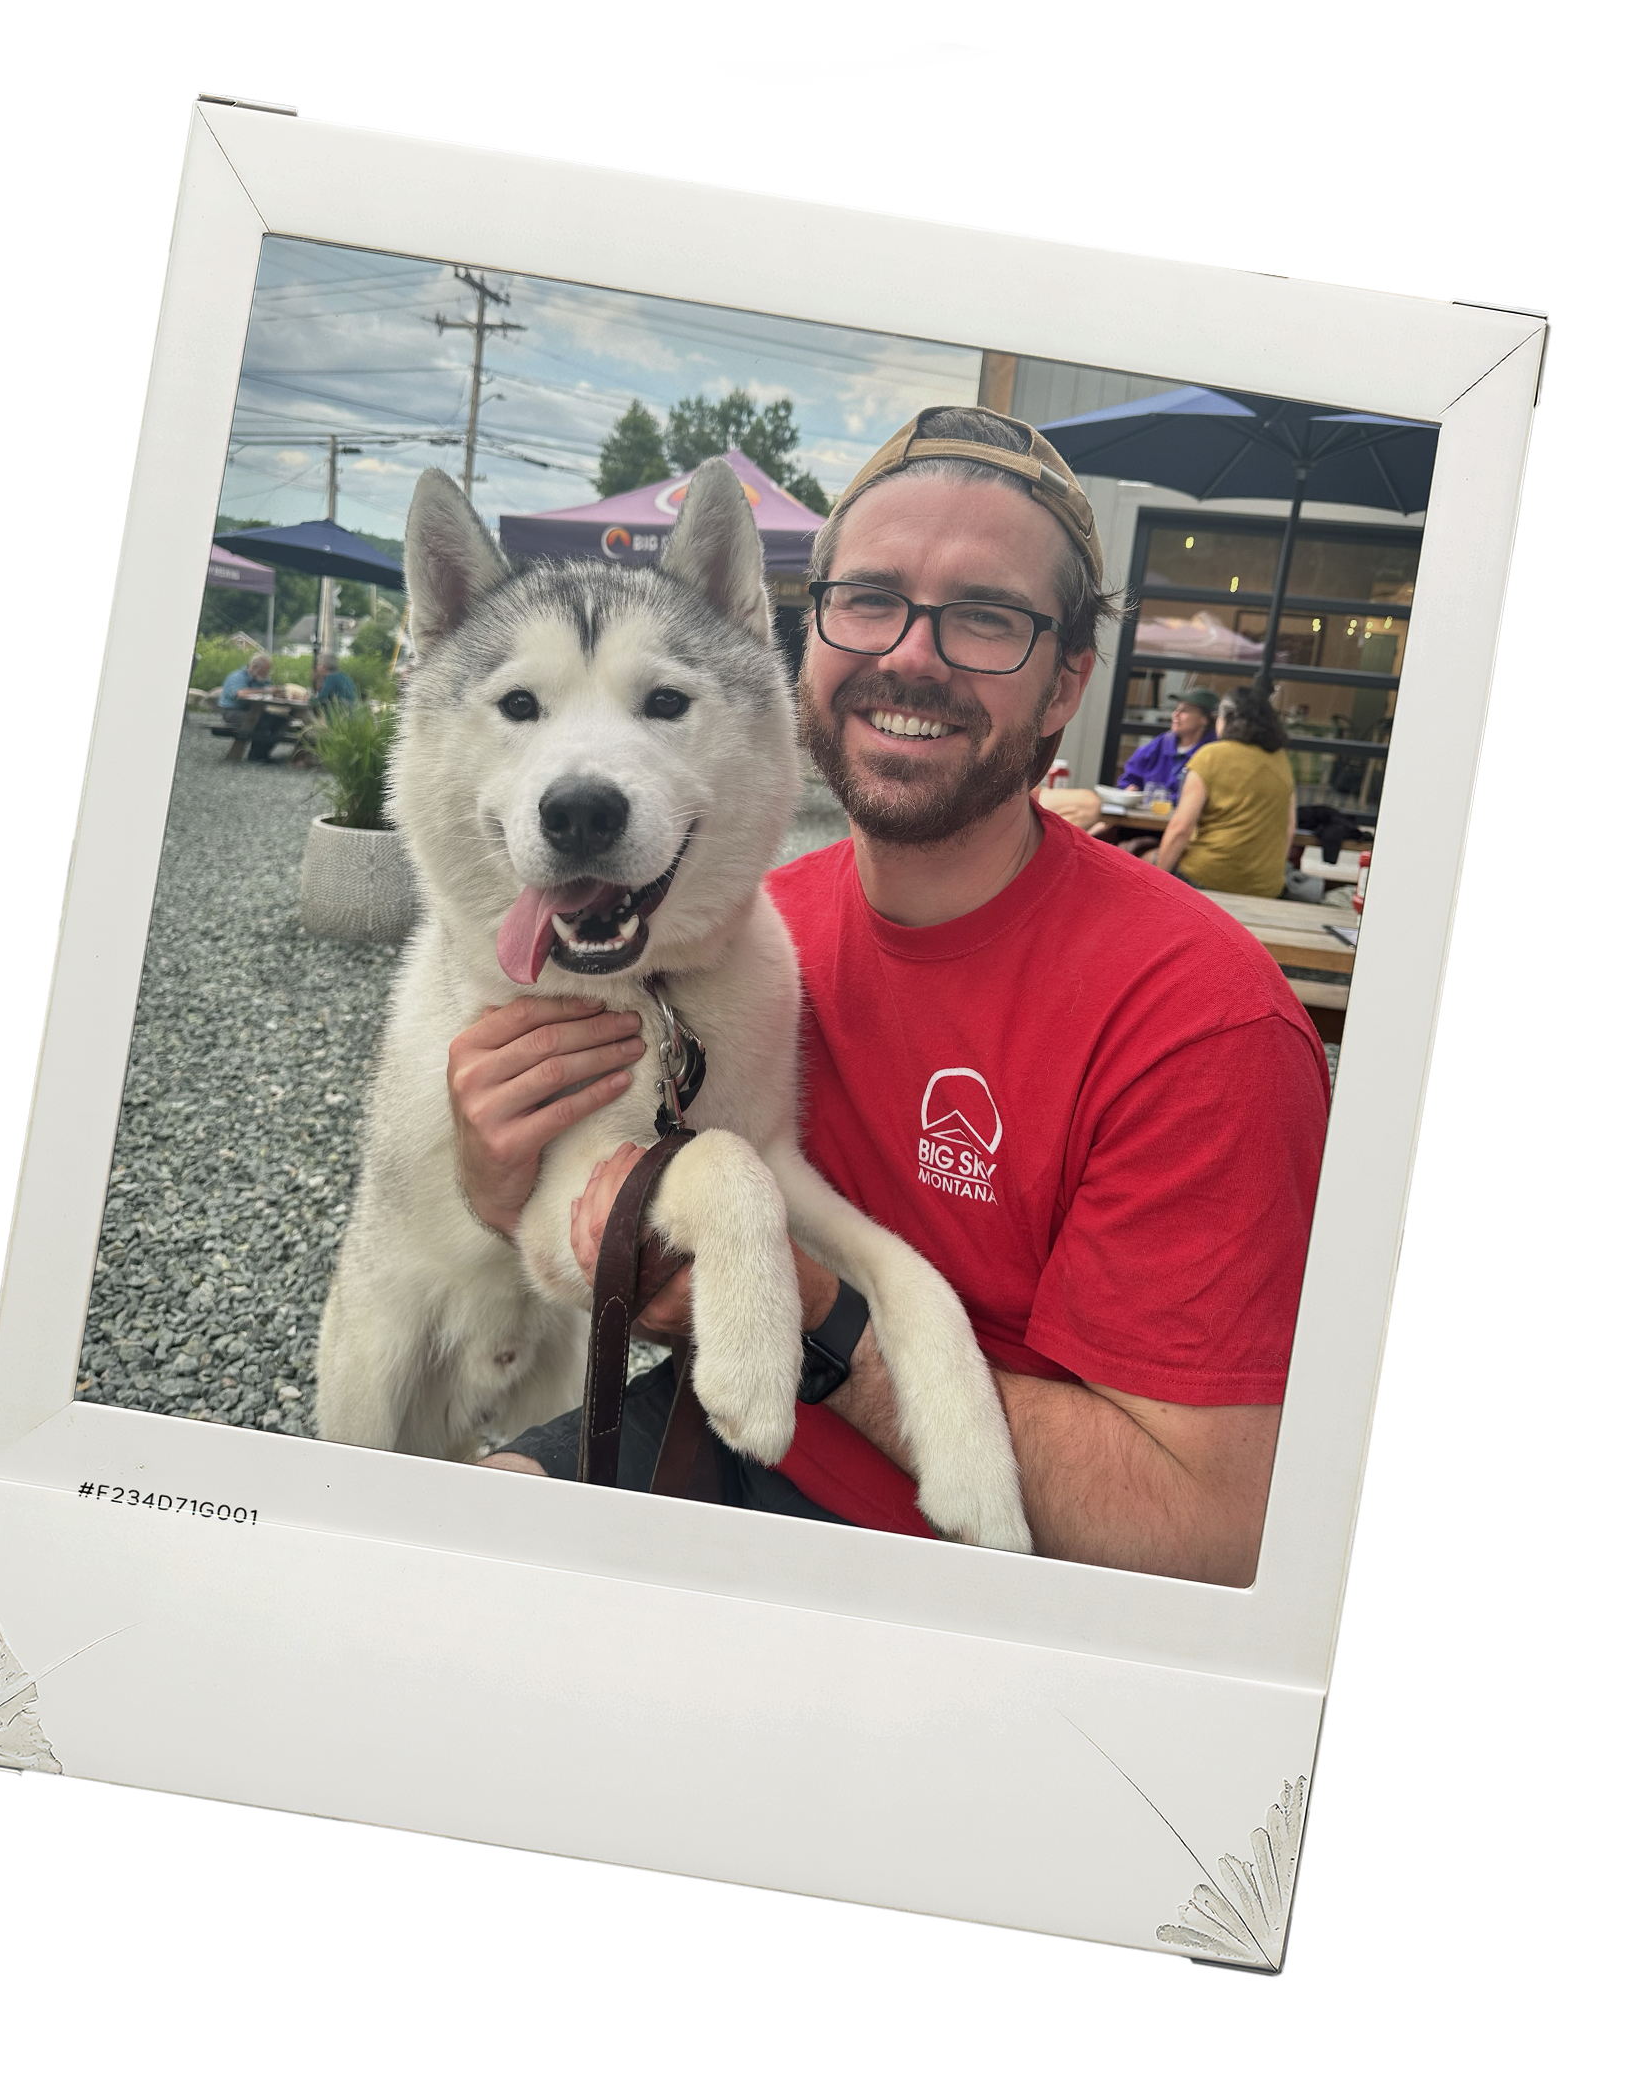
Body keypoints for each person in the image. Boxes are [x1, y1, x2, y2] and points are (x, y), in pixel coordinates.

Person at [448, 407, 1330, 1586]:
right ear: (804, 636)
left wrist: (816, 1322)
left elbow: (1207, 1533)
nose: (911, 654)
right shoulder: (735, 925)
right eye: (867, 600)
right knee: (434, 1567)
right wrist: (494, 1169)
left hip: (969, 1556)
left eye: (985, 616)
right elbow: (594, 1210)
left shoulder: (1200, 1023)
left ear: (1066, 683)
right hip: (715, 1425)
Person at [1151, 684, 1298, 898]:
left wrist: (1156, 887)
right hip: (1267, 886)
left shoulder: (1210, 755)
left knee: (1142, 857)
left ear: (1227, 718)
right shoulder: (1281, 760)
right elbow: (1289, 828)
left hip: (1207, 877)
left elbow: (1181, 829)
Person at [1119, 686, 1218, 802]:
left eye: (1184, 710)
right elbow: (1131, 777)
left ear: (1205, 719)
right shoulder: (1161, 743)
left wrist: (1161, 799)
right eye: (1176, 709)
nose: (1175, 714)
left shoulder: (1212, 752)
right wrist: (1130, 788)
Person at [219, 651, 290, 762]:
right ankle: (254, 755)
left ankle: (262, 754)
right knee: (260, 722)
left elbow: (269, 690)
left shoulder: (262, 680)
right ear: (254, 667)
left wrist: (278, 693)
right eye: (265, 671)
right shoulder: (237, 677)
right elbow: (241, 693)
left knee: (280, 720)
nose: (267, 674)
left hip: (255, 711)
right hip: (233, 711)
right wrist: (266, 691)